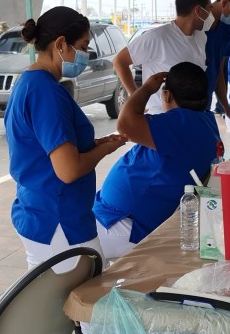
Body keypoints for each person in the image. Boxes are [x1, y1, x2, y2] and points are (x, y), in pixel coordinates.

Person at [4, 6, 127, 271]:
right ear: (60, 44)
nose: (86, 55)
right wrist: (104, 151)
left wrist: (92, 145)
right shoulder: (46, 93)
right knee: (85, 290)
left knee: (56, 291)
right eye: (82, 46)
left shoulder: (29, 83)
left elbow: (47, 147)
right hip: (58, 220)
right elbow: (68, 170)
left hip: (40, 209)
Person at [93, 63, 220, 262]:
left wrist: (146, 89)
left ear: (167, 95)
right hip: (120, 215)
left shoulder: (179, 124)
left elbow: (124, 123)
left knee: (63, 237)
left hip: (129, 225)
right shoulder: (205, 122)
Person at [113, 0, 212, 115]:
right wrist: (135, 96)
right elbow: (119, 61)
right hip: (161, 116)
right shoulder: (158, 37)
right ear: (198, 10)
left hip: (191, 116)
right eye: (209, 9)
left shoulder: (201, 37)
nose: (210, 15)